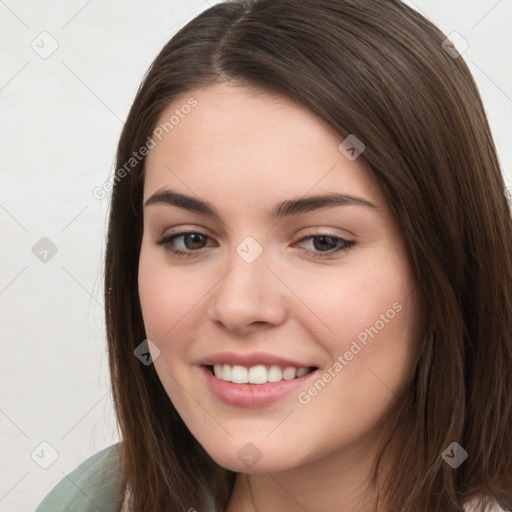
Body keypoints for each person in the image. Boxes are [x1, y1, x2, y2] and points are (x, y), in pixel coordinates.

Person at [35, 0, 512, 511]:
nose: (238, 306)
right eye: (190, 239)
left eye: (322, 241)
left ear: (453, 258)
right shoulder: (92, 500)